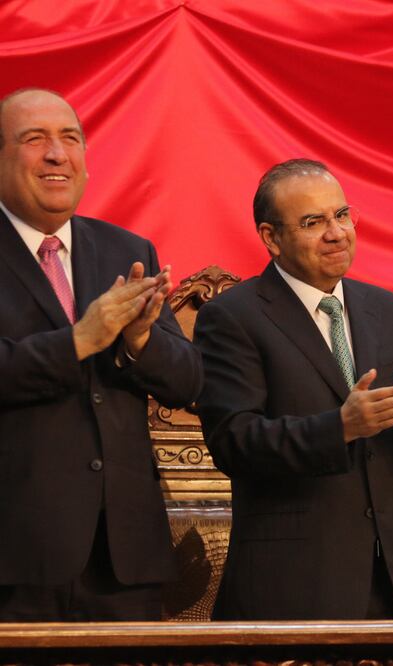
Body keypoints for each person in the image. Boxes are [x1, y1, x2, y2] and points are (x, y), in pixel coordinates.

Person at [194, 158, 393, 620]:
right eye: (313, 222)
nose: (337, 233)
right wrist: (340, 428)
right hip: (293, 589)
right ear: (271, 237)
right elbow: (234, 441)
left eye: (342, 215)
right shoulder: (234, 318)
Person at [0, 88, 203, 621]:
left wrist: (139, 342)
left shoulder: (128, 251)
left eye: (70, 138)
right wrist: (80, 341)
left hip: (122, 559)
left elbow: (187, 381)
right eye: (34, 139)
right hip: (15, 553)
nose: (57, 154)